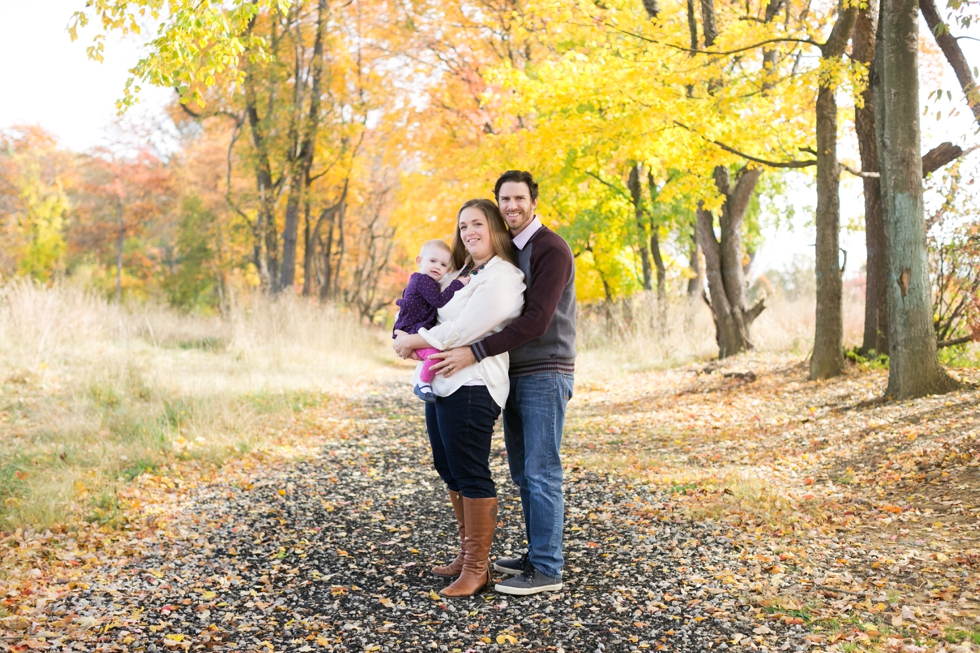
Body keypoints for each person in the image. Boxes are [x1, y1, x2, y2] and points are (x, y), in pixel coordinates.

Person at [430, 171, 576, 596]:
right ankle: (536, 554)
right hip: (514, 370)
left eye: (519, 198)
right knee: (521, 472)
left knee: (541, 470)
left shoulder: (550, 248)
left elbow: (536, 320)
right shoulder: (509, 250)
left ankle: (548, 567)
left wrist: (474, 352)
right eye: (505, 199)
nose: (512, 206)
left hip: (546, 369)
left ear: (533, 200)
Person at [393, 199, 525, 598]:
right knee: (447, 467)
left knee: (469, 470)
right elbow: (435, 313)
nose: (469, 232)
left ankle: (476, 569)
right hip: (445, 384)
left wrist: (414, 340)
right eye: (463, 225)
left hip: (475, 385)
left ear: (495, 229)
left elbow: (467, 328)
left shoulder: (504, 276)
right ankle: (466, 553)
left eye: (477, 224)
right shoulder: (466, 272)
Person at [392, 239, 469, 402]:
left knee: (431, 354)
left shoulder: (425, 281)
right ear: (419, 261)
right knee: (434, 355)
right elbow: (439, 301)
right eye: (433, 261)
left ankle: (424, 381)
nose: (437, 267)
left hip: (413, 328)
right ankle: (423, 383)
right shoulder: (423, 280)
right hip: (412, 329)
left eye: (442, 265)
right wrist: (457, 284)